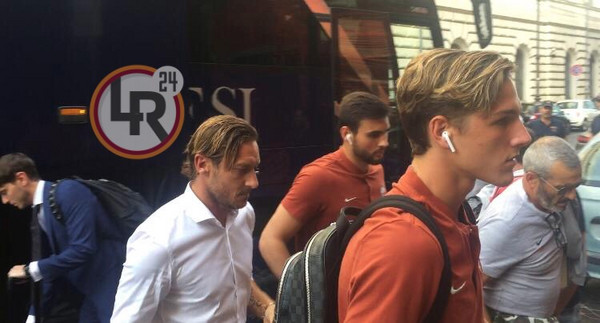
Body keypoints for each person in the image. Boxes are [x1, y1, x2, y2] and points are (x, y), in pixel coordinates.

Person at [338, 48, 531, 322]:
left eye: (519, 119)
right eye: (502, 121)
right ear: (442, 132)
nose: (523, 136)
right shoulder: (403, 243)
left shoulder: (454, 211)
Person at [111, 115, 274, 323]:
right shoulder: (158, 241)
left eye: (255, 169)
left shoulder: (244, 214)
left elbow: (236, 281)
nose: (254, 182)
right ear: (202, 163)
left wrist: (269, 309)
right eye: (241, 170)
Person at [259, 91, 390, 278]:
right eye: (374, 135)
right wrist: (299, 293)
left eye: (386, 133)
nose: (384, 142)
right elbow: (270, 240)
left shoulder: (377, 170)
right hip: (329, 299)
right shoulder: (318, 176)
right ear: (347, 134)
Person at [1, 153, 126, 323]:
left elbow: (83, 249)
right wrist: (33, 316)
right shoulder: (40, 211)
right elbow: (50, 268)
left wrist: (29, 269)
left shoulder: (69, 191)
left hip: (115, 286)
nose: (5, 201)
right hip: (91, 294)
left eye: (4, 192)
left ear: (21, 178)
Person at [478, 136, 583, 322]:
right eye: (563, 189)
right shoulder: (506, 221)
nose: (572, 195)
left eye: (575, 186)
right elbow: (472, 285)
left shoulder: (552, 200)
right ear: (531, 179)